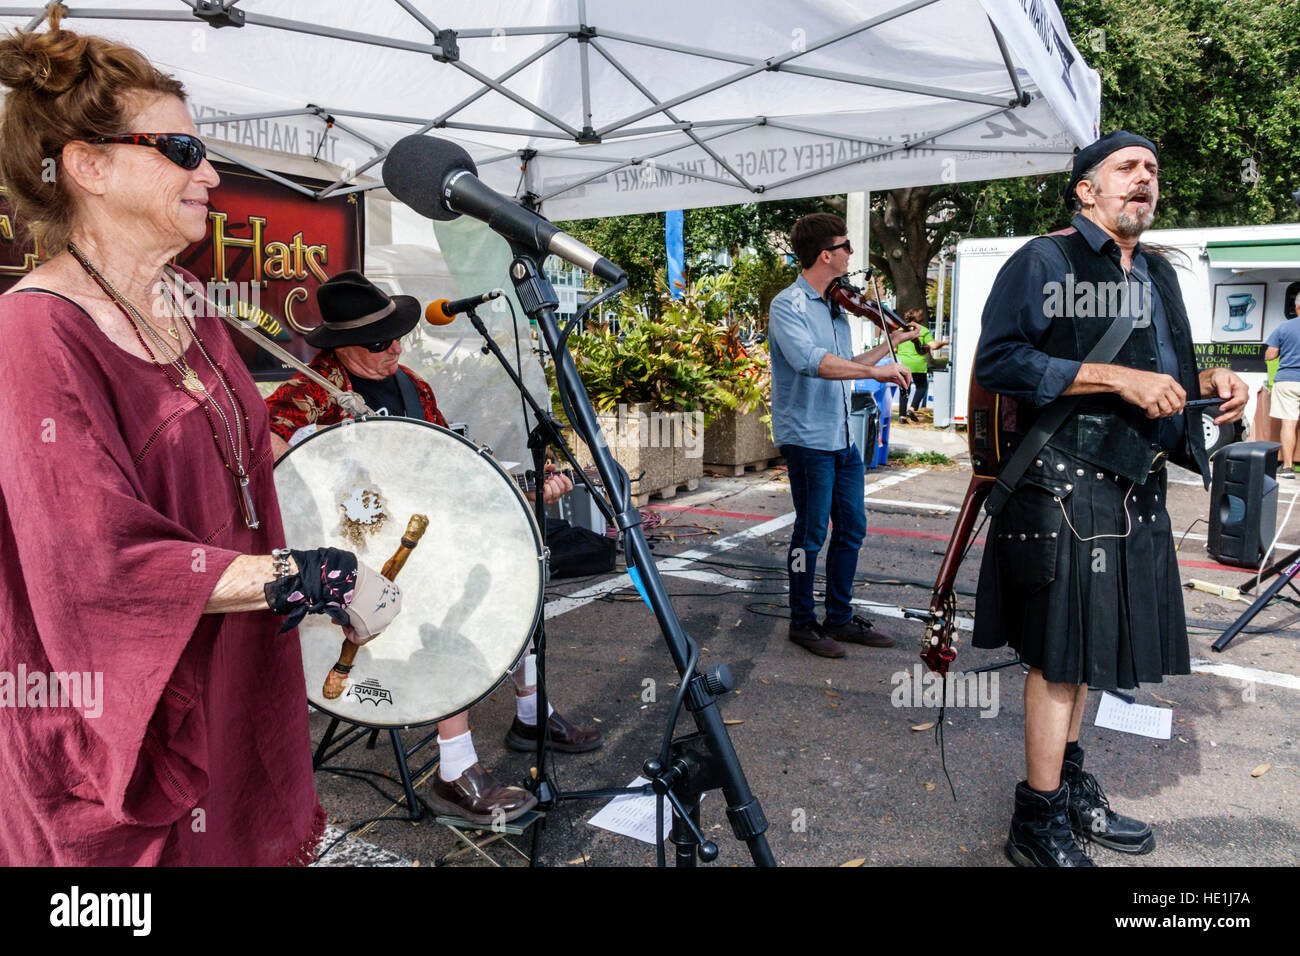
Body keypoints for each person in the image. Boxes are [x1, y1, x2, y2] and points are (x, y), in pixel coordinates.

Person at [0, 15, 400, 865]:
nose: (210, 172)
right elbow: (93, 563)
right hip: (124, 724)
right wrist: (314, 576)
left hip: (233, 681)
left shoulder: (187, 301)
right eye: (182, 152)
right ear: (89, 164)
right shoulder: (32, 333)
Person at [972, 131, 1248, 866]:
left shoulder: (1157, 273)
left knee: (1090, 656)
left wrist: (1213, 380)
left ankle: (1065, 792)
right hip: (1062, 486)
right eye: (1127, 168)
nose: (1144, 179)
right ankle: (1034, 825)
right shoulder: (1044, 260)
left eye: (1153, 170)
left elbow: (1169, 364)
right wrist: (1113, 378)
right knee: (1059, 660)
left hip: (1135, 488)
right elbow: (1000, 360)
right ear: (1085, 189)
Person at [265, 271, 602, 825]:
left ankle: (530, 712)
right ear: (340, 346)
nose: (393, 348)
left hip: (418, 534)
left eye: (396, 335)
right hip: (355, 563)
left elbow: (450, 472)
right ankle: (454, 771)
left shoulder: (414, 387)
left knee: (513, 567)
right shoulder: (306, 393)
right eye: (378, 343)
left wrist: (520, 492)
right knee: (445, 594)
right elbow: (270, 461)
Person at [767, 214, 918, 658]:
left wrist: (894, 342)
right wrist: (877, 370)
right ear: (826, 254)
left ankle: (839, 616)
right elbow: (812, 362)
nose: (852, 253)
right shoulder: (787, 305)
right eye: (846, 245)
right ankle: (801, 621)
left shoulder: (837, 305)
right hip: (807, 436)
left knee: (852, 528)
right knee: (810, 532)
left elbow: (844, 360)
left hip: (839, 434)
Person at [894, 306, 949, 422]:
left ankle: (902, 417)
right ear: (920, 319)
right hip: (918, 364)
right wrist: (945, 342)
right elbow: (933, 346)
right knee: (921, 387)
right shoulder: (922, 330)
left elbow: (894, 349)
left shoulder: (899, 330)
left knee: (904, 389)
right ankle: (912, 409)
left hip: (903, 363)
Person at [1264, 304, 1300, 477]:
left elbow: (1270, 355)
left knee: (1289, 423)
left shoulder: (1283, 327)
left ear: (1297, 307)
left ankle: (1287, 467)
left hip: (1288, 381)